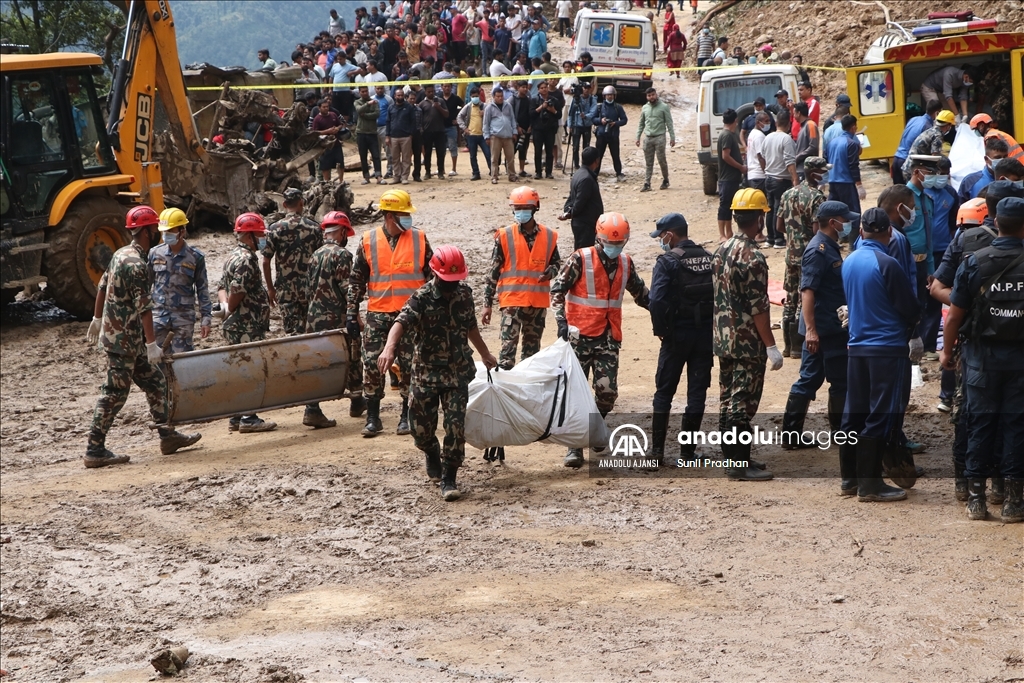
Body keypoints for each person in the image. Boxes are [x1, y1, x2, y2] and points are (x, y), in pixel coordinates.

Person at [83, 206, 201, 468]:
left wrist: (97, 317)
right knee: (115, 393)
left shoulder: (120, 255)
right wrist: (152, 344)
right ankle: (95, 448)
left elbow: (102, 286)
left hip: (126, 339)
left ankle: (168, 436)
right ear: (147, 232)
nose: (160, 235)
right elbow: (144, 308)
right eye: (156, 230)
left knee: (156, 383)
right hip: (125, 341)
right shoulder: (136, 264)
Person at [378, 245, 497, 501]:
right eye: (447, 280)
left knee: (455, 426)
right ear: (435, 273)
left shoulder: (464, 294)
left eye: (456, 280)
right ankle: (431, 452)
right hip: (426, 374)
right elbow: (400, 323)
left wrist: (485, 354)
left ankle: (449, 477)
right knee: (420, 430)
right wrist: (389, 349)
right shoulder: (421, 297)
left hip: (457, 372)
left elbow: (470, 327)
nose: (452, 285)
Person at [940, 196, 1024, 522]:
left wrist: (947, 352)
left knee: (980, 423)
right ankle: (1014, 501)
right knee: (1016, 425)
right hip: (1019, 360)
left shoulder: (975, 262)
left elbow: (954, 318)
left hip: (981, 360)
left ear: (996, 223)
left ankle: (977, 499)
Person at [551, 212, 650, 468]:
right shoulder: (580, 259)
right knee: (576, 394)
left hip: (608, 337)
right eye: (610, 243)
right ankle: (575, 447)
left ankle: (594, 428)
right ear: (598, 237)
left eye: (619, 244)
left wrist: (664, 311)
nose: (614, 248)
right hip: (579, 337)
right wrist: (561, 320)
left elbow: (641, 294)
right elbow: (557, 289)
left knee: (607, 393)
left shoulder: (626, 263)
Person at [841, 207, 921, 502]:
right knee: (880, 414)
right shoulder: (887, 263)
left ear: (861, 232)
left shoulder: (849, 261)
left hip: (857, 347)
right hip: (886, 348)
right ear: (889, 233)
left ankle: (849, 479)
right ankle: (871, 485)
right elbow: (909, 308)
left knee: (855, 412)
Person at [711, 188, 783, 481]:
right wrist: (771, 346)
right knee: (742, 403)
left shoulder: (721, 248)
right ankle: (738, 465)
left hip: (723, 338)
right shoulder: (753, 257)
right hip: (746, 343)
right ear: (759, 219)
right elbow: (759, 307)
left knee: (728, 399)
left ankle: (734, 458)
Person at [349, 189, 433, 438]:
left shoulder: (419, 239)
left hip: (411, 315)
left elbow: (431, 277)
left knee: (410, 364)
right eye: (402, 214)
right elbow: (357, 280)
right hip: (378, 313)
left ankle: (406, 416)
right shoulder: (368, 240)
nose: (407, 219)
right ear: (388, 215)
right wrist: (351, 312)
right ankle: (373, 417)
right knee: (373, 363)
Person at [780, 201, 856, 452]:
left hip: (830, 326)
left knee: (833, 380)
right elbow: (807, 292)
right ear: (833, 222)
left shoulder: (830, 247)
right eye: (844, 220)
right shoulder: (818, 250)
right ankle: (795, 435)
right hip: (822, 329)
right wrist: (812, 330)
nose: (848, 224)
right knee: (817, 380)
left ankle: (834, 432)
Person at [648, 212, 714, 467]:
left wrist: (661, 329)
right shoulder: (709, 258)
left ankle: (656, 452)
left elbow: (656, 300)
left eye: (661, 236)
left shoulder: (667, 261)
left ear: (670, 235)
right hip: (704, 336)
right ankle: (687, 453)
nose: (660, 241)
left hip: (676, 336)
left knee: (664, 392)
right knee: (697, 394)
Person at [261, 188, 331, 427]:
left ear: (284, 205)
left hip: (287, 294)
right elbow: (322, 257)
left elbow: (266, 260)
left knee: (293, 342)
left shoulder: (275, 229)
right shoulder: (314, 227)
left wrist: (270, 288)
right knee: (310, 343)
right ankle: (312, 405)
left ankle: (297, 394)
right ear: (301, 203)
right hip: (310, 293)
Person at [482, 186, 561, 369]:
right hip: (512, 303)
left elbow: (557, 263)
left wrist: (551, 272)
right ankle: (506, 392)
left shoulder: (549, 236)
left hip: (537, 305)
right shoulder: (504, 236)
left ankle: (526, 394)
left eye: (525, 208)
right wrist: (487, 303)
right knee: (507, 356)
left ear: (535, 208)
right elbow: (493, 271)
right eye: (517, 209)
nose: (521, 212)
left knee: (531, 358)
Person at [218, 213, 277, 433]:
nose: (263, 238)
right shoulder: (247, 259)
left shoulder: (232, 256)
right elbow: (237, 290)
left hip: (237, 324)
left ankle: (236, 416)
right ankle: (248, 417)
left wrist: (225, 309)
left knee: (237, 368)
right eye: (260, 234)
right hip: (246, 325)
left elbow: (221, 288)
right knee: (250, 369)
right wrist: (231, 308)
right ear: (249, 235)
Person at [307, 211, 366, 422]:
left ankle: (312, 407)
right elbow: (347, 290)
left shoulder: (315, 255)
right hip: (337, 317)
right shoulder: (342, 255)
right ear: (341, 232)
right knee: (352, 354)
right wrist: (355, 316)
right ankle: (357, 400)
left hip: (314, 317)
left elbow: (309, 289)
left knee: (316, 361)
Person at [776, 157, 828, 358]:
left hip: (791, 255)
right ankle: (799, 347)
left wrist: (793, 236)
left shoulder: (787, 193)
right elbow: (818, 230)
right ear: (814, 173)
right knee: (804, 298)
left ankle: (788, 346)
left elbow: (779, 226)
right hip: (809, 255)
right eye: (822, 171)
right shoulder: (817, 198)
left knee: (790, 299)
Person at [149, 207, 211, 354]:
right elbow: (146, 285)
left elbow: (202, 289)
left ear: (182, 231)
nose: (167, 235)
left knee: (182, 361)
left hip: (183, 319)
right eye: (165, 231)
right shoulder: (154, 253)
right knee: (158, 361)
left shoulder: (196, 257)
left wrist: (206, 318)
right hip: (158, 317)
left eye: (171, 231)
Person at [920, 156, 959, 360]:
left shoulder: (951, 194)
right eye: (939, 173)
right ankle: (914, 341)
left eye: (946, 174)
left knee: (936, 298)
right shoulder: (918, 193)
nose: (943, 177)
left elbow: (953, 223)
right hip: (919, 253)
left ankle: (928, 346)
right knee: (919, 297)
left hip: (942, 251)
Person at [763, 110, 799, 249]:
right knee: (779, 209)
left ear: (776, 122)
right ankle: (778, 238)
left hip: (769, 177)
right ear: (789, 124)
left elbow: (763, 155)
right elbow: (789, 161)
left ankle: (770, 238)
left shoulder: (768, 137)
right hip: (780, 179)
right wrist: (795, 179)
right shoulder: (786, 139)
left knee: (770, 209)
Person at [825, 114, 864, 233]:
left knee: (834, 211)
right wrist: (859, 185)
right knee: (854, 212)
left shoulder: (831, 143)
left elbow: (826, 161)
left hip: (833, 181)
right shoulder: (851, 143)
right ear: (853, 128)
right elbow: (853, 165)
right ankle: (853, 241)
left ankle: (836, 235)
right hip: (846, 182)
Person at [562, 146, 604, 249]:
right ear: (597, 161)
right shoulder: (587, 179)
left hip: (582, 223)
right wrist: (570, 213)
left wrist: (567, 211)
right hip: (585, 224)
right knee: (584, 254)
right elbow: (579, 202)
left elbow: (571, 198)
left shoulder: (579, 174)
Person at [635, 87, 675, 192]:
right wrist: (638, 137)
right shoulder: (644, 108)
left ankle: (666, 180)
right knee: (648, 162)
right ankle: (647, 183)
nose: (651, 97)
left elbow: (669, 123)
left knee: (662, 161)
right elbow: (641, 124)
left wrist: (672, 137)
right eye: (649, 95)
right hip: (648, 138)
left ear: (656, 95)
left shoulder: (664, 107)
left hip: (660, 137)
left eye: (653, 95)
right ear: (646, 96)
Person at [892, 99, 940, 185]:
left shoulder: (914, 119)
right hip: (907, 162)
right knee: (910, 194)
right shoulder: (928, 127)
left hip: (896, 158)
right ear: (937, 113)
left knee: (898, 194)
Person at [716, 109, 745, 242]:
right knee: (725, 206)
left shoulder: (729, 134)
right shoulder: (727, 135)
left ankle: (729, 232)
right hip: (727, 177)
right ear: (735, 121)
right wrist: (741, 167)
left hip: (731, 177)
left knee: (729, 206)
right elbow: (725, 156)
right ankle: (722, 234)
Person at [901, 109, 954, 178]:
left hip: (909, 167)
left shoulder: (931, 131)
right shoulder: (937, 136)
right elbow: (935, 158)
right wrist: (945, 173)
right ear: (948, 125)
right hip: (913, 171)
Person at [483, 85, 518, 183]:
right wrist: (487, 136)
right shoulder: (489, 107)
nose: (500, 98)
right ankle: (494, 176)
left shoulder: (508, 106)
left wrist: (514, 132)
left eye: (501, 96)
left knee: (510, 157)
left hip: (508, 136)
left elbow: (512, 119)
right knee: (494, 158)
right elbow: (486, 123)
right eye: (498, 96)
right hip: (495, 136)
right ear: (494, 97)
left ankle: (512, 175)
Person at [591, 86, 627, 179]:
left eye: (611, 95)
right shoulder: (599, 107)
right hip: (601, 135)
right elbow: (593, 119)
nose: (609, 97)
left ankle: (619, 173)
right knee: (598, 155)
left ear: (614, 96)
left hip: (613, 135)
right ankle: (595, 173)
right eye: (608, 95)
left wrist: (615, 123)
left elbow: (624, 120)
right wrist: (600, 121)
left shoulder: (618, 107)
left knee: (615, 155)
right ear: (604, 96)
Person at [959, 136, 1010, 201]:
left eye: (1005, 157)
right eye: (998, 157)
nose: (1002, 161)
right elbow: (961, 208)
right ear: (986, 159)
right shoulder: (970, 181)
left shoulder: (1013, 179)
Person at [457, 86, 491, 180]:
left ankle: (493, 171)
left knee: (488, 154)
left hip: (483, 135)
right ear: (470, 96)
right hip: (471, 135)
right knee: (473, 156)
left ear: (479, 96)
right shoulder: (468, 107)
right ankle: (476, 173)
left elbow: (491, 117)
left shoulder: (485, 106)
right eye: (473, 96)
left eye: (476, 96)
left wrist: (485, 114)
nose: (475, 98)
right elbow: (459, 117)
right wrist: (464, 128)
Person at [530, 80, 562, 179]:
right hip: (538, 129)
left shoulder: (554, 100)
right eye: (542, 88)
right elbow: (531, 114)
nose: (544, 89)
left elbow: (559, 115)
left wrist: (553, 110)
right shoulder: (534, 100)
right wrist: (541, 107)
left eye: (545, 87)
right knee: (538, 151)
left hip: (550, 129)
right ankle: (538, 172)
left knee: (549, 151)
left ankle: (549, 172)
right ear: (538, 90)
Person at [418, 83, 450, 180]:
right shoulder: (422, 104)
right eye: (429, 92)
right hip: (427, 132)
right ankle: (428, 172)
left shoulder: (440, 101)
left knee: (441, 152)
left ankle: (440, 172)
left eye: (432, 91)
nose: (431, 93)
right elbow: (419, 118)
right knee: (427, 153)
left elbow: (447, 114)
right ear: (425, 92)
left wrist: (438, 107)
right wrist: (421, 129)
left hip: (440, 131)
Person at [385, 88, 417, 185]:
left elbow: (413, 122)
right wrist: (387, 136)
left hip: (406, 136)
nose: (400, 97)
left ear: (404, 96)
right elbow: (388, 122)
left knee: (406, 158)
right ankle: (396, 177)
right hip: (393, 137)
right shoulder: (391, 108)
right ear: (395, 96)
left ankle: (404, 177)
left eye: (401, 95)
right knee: (395, 158)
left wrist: (411, 134)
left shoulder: (409, 107)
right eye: (398, 95)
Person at [312, 99, 349, 184]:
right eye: (324, 107)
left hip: (336, 143)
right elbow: (315, 133)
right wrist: (327, 131)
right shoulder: (317, 119)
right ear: (319, 108)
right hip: (325, 146)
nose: (326, 108)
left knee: (340, 162)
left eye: (327, 107)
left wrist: (337, 128)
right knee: (325, 165)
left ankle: (341, 180)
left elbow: (340, 124)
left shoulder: (333, 115)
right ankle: (327, 182)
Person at [354, 86, 383, 184]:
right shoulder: (357, 102)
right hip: (361, 132)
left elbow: (377, 114)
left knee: (376, 155)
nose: (365, 93)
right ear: (359, 92)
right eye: (363, 91)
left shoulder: (375, 102)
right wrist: (368, 104)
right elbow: (359, 110)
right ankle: (366, 177)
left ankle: (378, 176)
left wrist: (365, 115)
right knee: (363, 156)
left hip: (372, 132)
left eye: (366, 91)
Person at [567, 81, 596, 171]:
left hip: (587, 125)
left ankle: (585, 164)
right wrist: (570, 125)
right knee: (575, 146)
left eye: (588, 88)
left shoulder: (592, 99)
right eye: (584, 88)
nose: (586, 90)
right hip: (576, 124)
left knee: (586, 147)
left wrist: (586, 116)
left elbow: (593, 111)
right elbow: (570, 113)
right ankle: (576, 164)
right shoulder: (576, 99)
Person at [512, 80, 534, 177]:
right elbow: (511, 115)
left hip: (526, 129)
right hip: (515, 130)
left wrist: (530, 125)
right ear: (518, 88)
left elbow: (531, 114)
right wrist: (516, 127)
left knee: (523, 149)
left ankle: (522, 170)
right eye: (523, 87)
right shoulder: (512, 100)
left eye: (526, 87)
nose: (525, 89)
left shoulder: (529, 100)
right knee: (512, 150)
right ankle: (510, 170)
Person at [792, 101, 819, 179]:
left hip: (807, 169)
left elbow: (813, 146)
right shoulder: (803, 127)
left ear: (798, 113)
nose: (794, 116)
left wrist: (798, 157)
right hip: (801, 169)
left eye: (794, 113)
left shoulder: (810, 125)